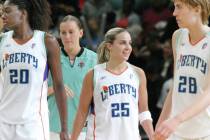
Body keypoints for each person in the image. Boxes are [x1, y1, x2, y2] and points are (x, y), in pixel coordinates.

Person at [0, 0, 68, 140]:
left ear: (23, 13)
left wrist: (64, 128)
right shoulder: (2, 41)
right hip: (3, 123)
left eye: (7, 11)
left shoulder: (46, 41)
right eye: (2, 12)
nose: (3, 16)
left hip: (33, 124)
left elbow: (59, 85)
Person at [70, 27, 154, 140]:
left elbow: (144, 112)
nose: (128, 47)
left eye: (129, 43)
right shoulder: (94, 74)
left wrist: (153, 136)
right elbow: (81, 112)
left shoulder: (138, 73)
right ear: (110, 46)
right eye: (122, 43)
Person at [155, 0, 210, 140]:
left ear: (197, 9)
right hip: (175, 132)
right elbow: (176, 85)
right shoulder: (178, 37)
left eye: (179, 7)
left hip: (204, 131)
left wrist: (177, 119)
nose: (174, 13)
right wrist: (161, 124)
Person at [47, 15, 97, 140]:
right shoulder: (48, 58)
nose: (67, 36)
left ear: (80, 33)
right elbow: (35, 92)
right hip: (53, 128)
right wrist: (55, 88)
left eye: (71, 32)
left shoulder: (94, 60)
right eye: (63, 33)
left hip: (84, 130)